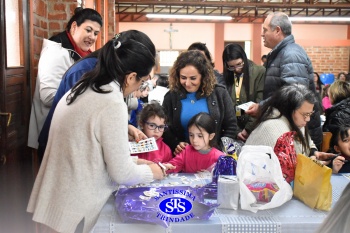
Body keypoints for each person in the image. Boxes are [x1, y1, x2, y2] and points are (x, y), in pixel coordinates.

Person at [27, 32, 165, 233]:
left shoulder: (90, 83)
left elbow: (91, 148)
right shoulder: (111, 100)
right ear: (131, 77)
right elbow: (122, 173)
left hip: (59, 199)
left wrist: (136, 162)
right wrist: (153, 172)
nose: (139, 87)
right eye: (141, 82)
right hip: (74, 207)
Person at [37, 30, 153, 160]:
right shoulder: (87, 72)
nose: (138, 86)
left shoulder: (111, 75)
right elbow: (81, 128)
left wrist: (125, 126)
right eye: (142, 80)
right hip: (62, 153)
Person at [28, 7, 103, 150]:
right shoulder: (56, 52)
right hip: (52, 131)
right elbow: (48, 96)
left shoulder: (84, 54)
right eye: (88, 30)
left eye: (96, 33)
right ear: (74, 27)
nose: (92, 37)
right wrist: (89, 98)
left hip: (69, 129)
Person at [246, 12, 323, 147]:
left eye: (265, 30)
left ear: (277, 31)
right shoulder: (281, 54)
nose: (262, 34)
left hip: (300, 133)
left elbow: (294, 95)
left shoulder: (291, 55)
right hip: (289, 129)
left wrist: (262, 107)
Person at [162, 50, 239, 154]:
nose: (187, 83)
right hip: (183, 158)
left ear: (203, 77)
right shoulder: (171, 97)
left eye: (193, 78)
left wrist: (220, 150)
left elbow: (231, 126)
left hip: (215, 156)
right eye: (183, 78)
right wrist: (175, 144)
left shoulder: (219, 93)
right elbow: (164, 127)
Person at [246, 84, 333, 159]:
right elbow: (287, 170)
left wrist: (314, 153)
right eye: (305, 115)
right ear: (289, 110)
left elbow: (308, 144)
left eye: (310, 114)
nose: (308, 119)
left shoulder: (295, 121)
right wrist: (312, 164)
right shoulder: (274, 128)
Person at [222, 43, 265, 141]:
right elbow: (228, 109)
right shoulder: (227, 77)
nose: (236, 69)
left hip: (256, 128)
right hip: (235, 131)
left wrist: (247, 129)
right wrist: (237, 131)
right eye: (231, 67)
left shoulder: (259, 72)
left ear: (244, 58)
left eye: (239, 64)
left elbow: (260, 104)